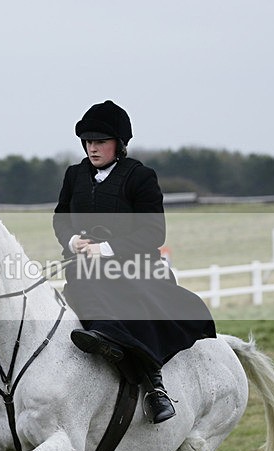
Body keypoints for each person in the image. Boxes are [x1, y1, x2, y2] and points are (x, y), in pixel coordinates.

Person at [53, 100, 216, 424]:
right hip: (85, 269)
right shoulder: (74, 176)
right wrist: (72, 241)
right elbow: (62, 218)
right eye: (88, 142)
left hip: (135, 265)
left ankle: (154, 385)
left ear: (119, 144)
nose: (92, 148)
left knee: (130, 302)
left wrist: (107, 250)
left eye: (100, 141)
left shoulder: (140, 177)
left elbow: (154, 231)